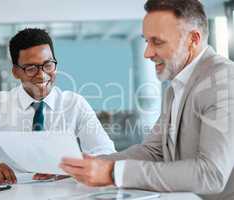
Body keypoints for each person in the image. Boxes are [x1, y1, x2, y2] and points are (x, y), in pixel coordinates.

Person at [60, 0, 234, 200]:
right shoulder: (176, 86)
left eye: (157, 42)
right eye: (146, 41)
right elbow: (153, 150)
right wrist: (80, 166)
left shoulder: (224, 80)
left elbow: (211, 174)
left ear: (193, 39)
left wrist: (113, 173)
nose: (147, 53)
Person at [0, 28, 115, 184]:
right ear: (16, 72)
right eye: (31, 68)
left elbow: (106, 154)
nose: (42, 75)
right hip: (14, 193)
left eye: (48, 65)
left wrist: (75, 165)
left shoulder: (75, 104)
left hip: (67, 192)